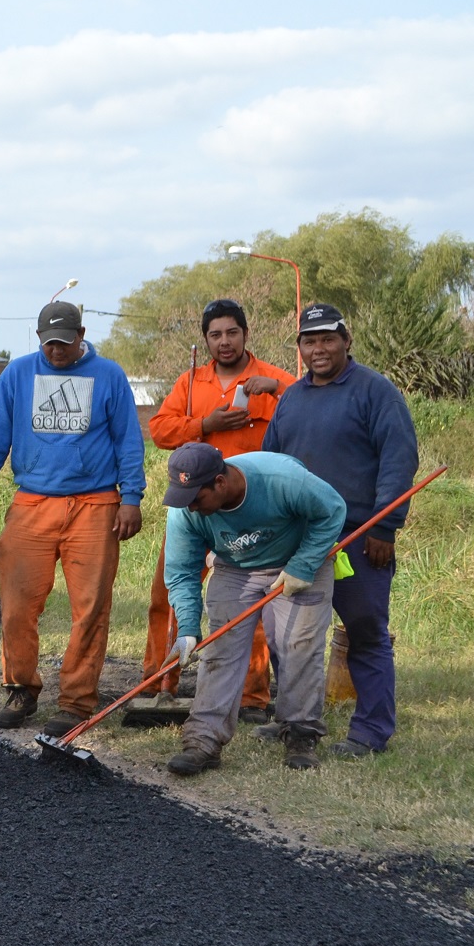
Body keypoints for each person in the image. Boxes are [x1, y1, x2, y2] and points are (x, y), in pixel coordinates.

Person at [0, 300, 146, 736]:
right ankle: (21, 687)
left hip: (96, 504)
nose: (55, 350)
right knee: (18, 604)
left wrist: (131, 497)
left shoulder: (109, 375)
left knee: (91, 607)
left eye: (63, 342)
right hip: (33, 502)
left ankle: (77, 701)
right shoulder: (18, 375)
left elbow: (128, 441)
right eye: (47, 343)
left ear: (81, 335)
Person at [263, 302, 419, 758]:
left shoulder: (376, 392)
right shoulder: (292, 397)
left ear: (346, 340)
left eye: (328, 339)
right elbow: (273, 463)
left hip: (356, 535)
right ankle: (294, 718)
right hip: (298, 537)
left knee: (365, 630)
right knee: (287, 634)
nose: (319, 349)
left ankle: (370, 732)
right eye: (309, 341)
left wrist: (385, 526)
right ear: (300, 348)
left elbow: (398, 458)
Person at [142, 299, 296, 727]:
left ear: (246, 334)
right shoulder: (190, 382)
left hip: (251, 513)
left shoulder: (273, 380)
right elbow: (159, 430)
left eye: (231, 332)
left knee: (254, 604)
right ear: (205, 339)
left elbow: (308, 406)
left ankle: (250, 695)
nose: (224, 341)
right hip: (194, 508)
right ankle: (159, 681)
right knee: (168, 595)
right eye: (215, 334)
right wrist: (204, 425)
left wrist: (278, 391)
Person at [157, 444, 345, 776]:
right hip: (233, 568)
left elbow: (332, 509)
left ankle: (301, 734)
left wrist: (304, 565)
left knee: (300, 647)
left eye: (197, 499)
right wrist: (187, 629)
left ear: (219, 482)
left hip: (298, 560)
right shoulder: (185, 509)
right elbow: (182, 571)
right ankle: (203, 741)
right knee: (220, 651)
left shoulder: (282, 479)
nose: (191, 508)